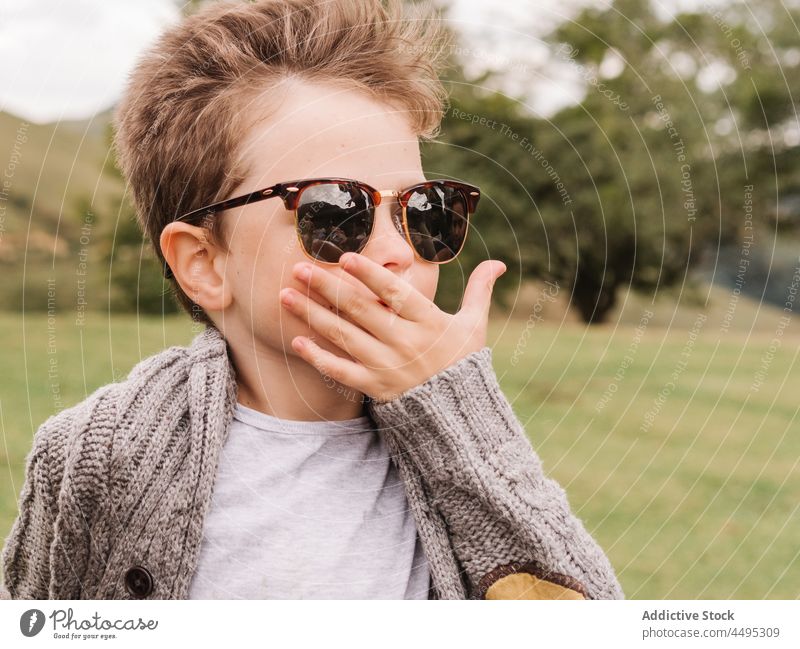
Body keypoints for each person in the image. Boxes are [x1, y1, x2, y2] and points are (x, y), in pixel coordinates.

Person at [1, 0, 624, 600]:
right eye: (335, 213)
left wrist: (460, 411)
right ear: (204, 263)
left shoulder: (462, 451)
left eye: (422, 210)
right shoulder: (100, 454)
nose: (395, 252)